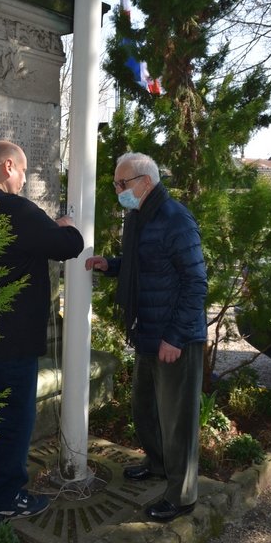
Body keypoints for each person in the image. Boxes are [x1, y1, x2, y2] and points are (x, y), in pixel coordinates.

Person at [0, 140, 84, 521]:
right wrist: (68, 227)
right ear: (8, 166)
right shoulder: (12, 208)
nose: (23, 181)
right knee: (14, 423)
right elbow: (66, 246)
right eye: (23, 171)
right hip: (11, 341)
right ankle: (6, 496)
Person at [85, 152, 208, 523]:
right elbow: (145, 266)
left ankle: (182, 495)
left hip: (175, 339)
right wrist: (112, 266)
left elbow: (195, 282)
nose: (118, 191)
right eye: (116, 184)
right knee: (146, 409)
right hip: (148, 332)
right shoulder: (140, 217)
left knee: (177, 420)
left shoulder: (175, 218)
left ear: (146, 182)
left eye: (122, 184)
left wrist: (175, 336)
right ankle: (157, 465)